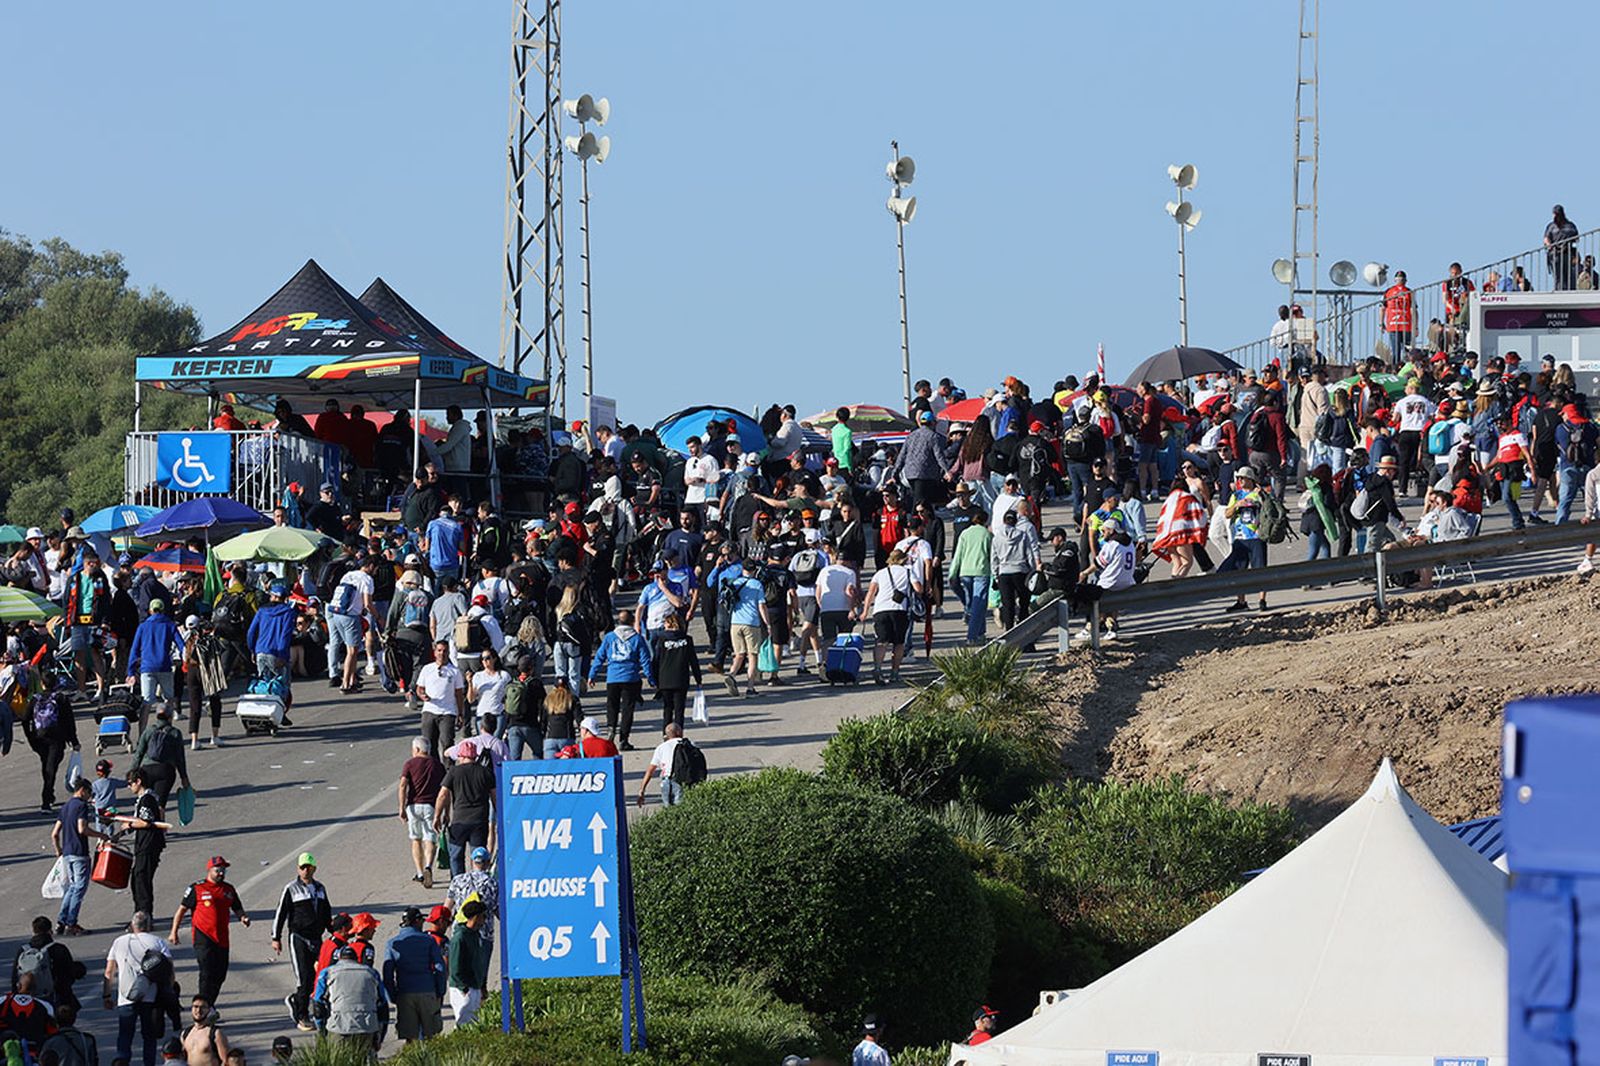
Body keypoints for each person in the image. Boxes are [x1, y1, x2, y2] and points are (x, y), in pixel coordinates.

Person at [168, 856, 249, 1007]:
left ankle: (208, 1005)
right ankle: (202, 1008)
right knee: (206, 973)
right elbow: (181, 910)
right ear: (209, 870)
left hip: (222, 939)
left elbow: (237, 907)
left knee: (220, 975)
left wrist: (243, 917)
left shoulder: (228, 889)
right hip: (203, 937)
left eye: (223, 870)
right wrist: (174, 931)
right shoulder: (197, 888)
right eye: (218, 870)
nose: (221, 873)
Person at [270, 852, 331, 1032]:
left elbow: (327, 913)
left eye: (309, 867)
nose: (305, 870)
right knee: (304, 977)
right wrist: (276, 937)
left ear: (314, 869)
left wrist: (335, 933)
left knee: (318, 976)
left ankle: (297, 1000)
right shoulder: (291, 889)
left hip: (316, 938)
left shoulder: (320, 888)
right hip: (298, 937)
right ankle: (302, 1015)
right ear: (298, 868)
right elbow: (280, 913)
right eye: (302, 867)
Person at [105, 912, 173, 1066]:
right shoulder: (157, 942)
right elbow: (169, 969)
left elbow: (109, 972)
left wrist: (107, 996)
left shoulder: (119, 942)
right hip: (150, 996)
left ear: (132, 924)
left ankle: (122, 1063)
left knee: (125, 1036)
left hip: (126, 997)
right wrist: (168, 990)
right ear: (148, 925)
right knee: (149, 1036)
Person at [587, 611, 653, 750]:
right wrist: (651, 678)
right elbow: (645, 660)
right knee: (627, 709)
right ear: (631, 622)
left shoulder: (610, 637)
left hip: (613, 677)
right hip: (631, 678)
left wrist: (592, 674)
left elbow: (600, 656)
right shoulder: (637, 638)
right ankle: (624, 739)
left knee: (612, 706)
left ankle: (611, 729)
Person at [382, 905, 445, 1046]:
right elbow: (440, 967)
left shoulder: (392, 944)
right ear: (417, 921)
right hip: (428, 991)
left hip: (405, 993)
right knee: (432, 1037)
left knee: (410, 1038)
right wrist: (440, 991)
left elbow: (387, 973)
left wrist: (392, 996)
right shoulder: (428, 941)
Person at [311, 944, 389, 1056]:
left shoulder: (327, 973)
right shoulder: (372, 973)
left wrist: (321, 1031)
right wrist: (380, 1036)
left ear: (339, 959)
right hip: (367, 1026)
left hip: (339, 1026)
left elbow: (318, 1004)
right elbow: (382, 1004)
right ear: (356, 959)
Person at [859, 548, 921, 685]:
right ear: (903, 560)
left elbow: (870, 593)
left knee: (881, 641)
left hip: (880, 610)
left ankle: (877, 668)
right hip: (900, 610)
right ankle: (894, 672)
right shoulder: (908, 572)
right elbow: (918, 589)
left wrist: (865, 611)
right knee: (898, 643)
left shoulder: (880, 573)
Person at [433, 743, 496, 876]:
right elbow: (495, 796)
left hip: (459, 822)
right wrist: (499, 814)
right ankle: (478, 886)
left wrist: (437, 816)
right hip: (479, 821)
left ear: (461, 756)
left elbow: (442, 795)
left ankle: (458, 885)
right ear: (475, 756)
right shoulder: (485, 772)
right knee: (478, 858)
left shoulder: (454, 772)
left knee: (456, 857)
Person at [51, 777, 103, 936]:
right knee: (79, 888)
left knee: (72, 888)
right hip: (79, 852)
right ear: (83, 790)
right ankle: (71, 923)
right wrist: (101, 835)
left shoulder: (65, 807)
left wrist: (59, 850)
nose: (90, 797)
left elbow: (54, 833)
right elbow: (82, 829)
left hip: (67, 852)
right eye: (89, 793)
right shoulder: (81, 806)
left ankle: (61, 921)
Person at [22, 676, 80, 814]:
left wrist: (31, 737)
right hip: (57, 739)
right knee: (51, 768)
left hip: (39, 739)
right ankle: (46, 801)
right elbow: (69, 722)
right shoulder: (61, 699)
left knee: (46, 766)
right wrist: (74, 741)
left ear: (42, 684)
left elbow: (25, 719)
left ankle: (49, 793)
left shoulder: (35, 699)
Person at [1217, 467, 1269, 613]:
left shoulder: (1260, 494)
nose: (1240, 481)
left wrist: (1262, 496)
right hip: (1240, 537)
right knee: (1240, 571)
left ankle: (1262, 600)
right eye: (1238, 478)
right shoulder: (1236, 495)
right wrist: (1237, 505)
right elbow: (1227, 514)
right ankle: (1241, 601)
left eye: (1243, 478)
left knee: (1260, 569)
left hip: (1257, 536)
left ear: (1251, 479)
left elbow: (1270, 510)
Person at [399, 738, 446, 887]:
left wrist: (401, 807)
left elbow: (403, 785)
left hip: (413, 806)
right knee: (430, 839)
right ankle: (428, 867)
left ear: (417, 749)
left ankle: (419, 873)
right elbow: (444, 790)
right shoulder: (438, 765)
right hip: (431, 807)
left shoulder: (410, 764)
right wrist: (444, 812)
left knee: (416, 840)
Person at [14, 915, 84, 1013]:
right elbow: (68, 974)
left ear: (34, 931)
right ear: (49, 931)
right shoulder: (58, 949)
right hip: (55, 998)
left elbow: (15, 977)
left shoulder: (23, 950)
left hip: (29, 999)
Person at [122, 769, 167, 919]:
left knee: (142, 880)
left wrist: (130, 825)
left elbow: (146, 822)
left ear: (139, 781)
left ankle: (144, 914)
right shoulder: (146, 798)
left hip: (148, 845)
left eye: (130, 783)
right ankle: (140, 912)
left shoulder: (147, 799)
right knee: (136, 879)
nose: (129, 787)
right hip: (144, 845)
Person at [989, 505, 1041, 631]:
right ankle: (1023, 630)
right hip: (1020, 572)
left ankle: (1009, 630)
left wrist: (996, 576)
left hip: (1004, 573)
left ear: (1003, 521)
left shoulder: (997, 537)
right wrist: (1032, 571)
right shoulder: (1022, 535)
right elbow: (1029, 555)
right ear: (1016, 521)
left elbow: (994, 560)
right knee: (1024, 603)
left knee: (1008, 605)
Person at [126, 599, 184, 708]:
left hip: (147, 667)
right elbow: (181, 645)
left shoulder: (142, 627)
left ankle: (143, 725)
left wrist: (131, 672)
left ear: (150, 611)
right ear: (163, 610)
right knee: (169, 698)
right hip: (165, 665)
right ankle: (167, 722)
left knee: (146, 701)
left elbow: (134, 650)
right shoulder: (170, 625)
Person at [649, 611, 701, 731]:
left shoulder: (661, 640)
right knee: (679, 709)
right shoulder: (687, 640)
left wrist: (654, 680)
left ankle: (666, 734)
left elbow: (656, 660)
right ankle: (678, 733)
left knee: (667, 708)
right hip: (681, 679)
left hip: (665, 679)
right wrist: (698, 678)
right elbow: (693, 660)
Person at [415, 640, 467, 759]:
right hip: (429, 711)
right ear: (434, 652)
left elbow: (459, 694)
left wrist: (460, 713)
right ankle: (434, 770)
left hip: (447, 712)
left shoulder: (454, 671)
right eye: (439, 650)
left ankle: (448, 771)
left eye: (444, 651)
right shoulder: (427, 669)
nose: (441, 653)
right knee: (428, 744)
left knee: (447, 743)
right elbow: (419, 688)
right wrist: (422, 695)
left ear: (448, 652)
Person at [130, 703, 188, 808]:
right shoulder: (175, 733)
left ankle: (146, 822)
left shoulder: (149, 731)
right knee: (160, 804)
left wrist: (132, 772)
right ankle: (160, 821)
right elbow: (180, 758)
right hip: (165, 770)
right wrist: (184, 777)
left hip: (146, 771)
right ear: (170, 717)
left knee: (146, 802)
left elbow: (139, 753)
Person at [445, 901, 490, 1029]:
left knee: (474, 1023)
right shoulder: (459, 938)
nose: (485, 920)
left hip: (475, 987)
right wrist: (464, 988)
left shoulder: (476, 935)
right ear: (475, 917)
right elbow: (455, 966)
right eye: (483, 916)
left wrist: (482, 985)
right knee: (463, 1023)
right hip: (463, 989)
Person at [444, 847, 498, 951]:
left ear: (472, 861)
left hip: (460, 931)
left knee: (460, 964)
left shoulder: (457, 880)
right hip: (484, 933)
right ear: (488, 863)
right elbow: (497, 910)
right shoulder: (492, 883)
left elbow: (447, 907)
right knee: (480, 966)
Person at [638, 722, 700, 808]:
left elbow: (650, 771)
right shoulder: (689, 745)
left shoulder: (661, 748)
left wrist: (642, 789)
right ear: (678, 732)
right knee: (681, 810)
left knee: (668, 810)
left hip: (666, 781)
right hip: (683, 780)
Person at [0, 973, 57, 1050]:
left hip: (6, 1052)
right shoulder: (46, 1006)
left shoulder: (3, 1001)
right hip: (36, 1052)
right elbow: (53, 1033)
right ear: (35, 988)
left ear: (18, 986)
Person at [37, 1001, 97, 1066]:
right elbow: (93, 1062)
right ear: (74, 1019)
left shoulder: (50, 1042)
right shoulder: (87, 1039)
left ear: (56, 1020)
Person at [180, 995, 230, 1066]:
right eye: (195, 1007)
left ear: (209, 1010)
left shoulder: (215, 1033)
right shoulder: (185, 1034)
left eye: (203, 1007)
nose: (198, 1010)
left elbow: (226, 1061)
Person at [1382, 269, 1415, 364]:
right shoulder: (1408, 292)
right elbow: (1413, 310)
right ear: (1405, 281)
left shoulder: (1389, 291)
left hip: (1394, 325)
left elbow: (1382, 308)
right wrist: (1415, 325)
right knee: (1407, 351)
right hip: (1405, 324)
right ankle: (1405, 367)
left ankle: (1396, 368)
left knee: (1397, 351)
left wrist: (1381, 323)